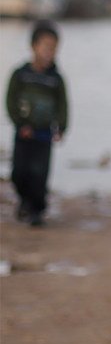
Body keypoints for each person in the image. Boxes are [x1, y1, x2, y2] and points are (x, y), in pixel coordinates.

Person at [6, 20, 69, 227]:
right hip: (23, 132)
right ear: (34, 46)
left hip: (44, 134)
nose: (50, 52)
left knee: (39, 175)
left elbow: (63, 105)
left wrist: (61, 127)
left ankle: (37, 211)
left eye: (54, 48)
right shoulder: (21, 75)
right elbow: (10, 101)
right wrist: (19, 123)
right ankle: (24, 201)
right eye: (46, 47)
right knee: (19, 172)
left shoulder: (56, 80)